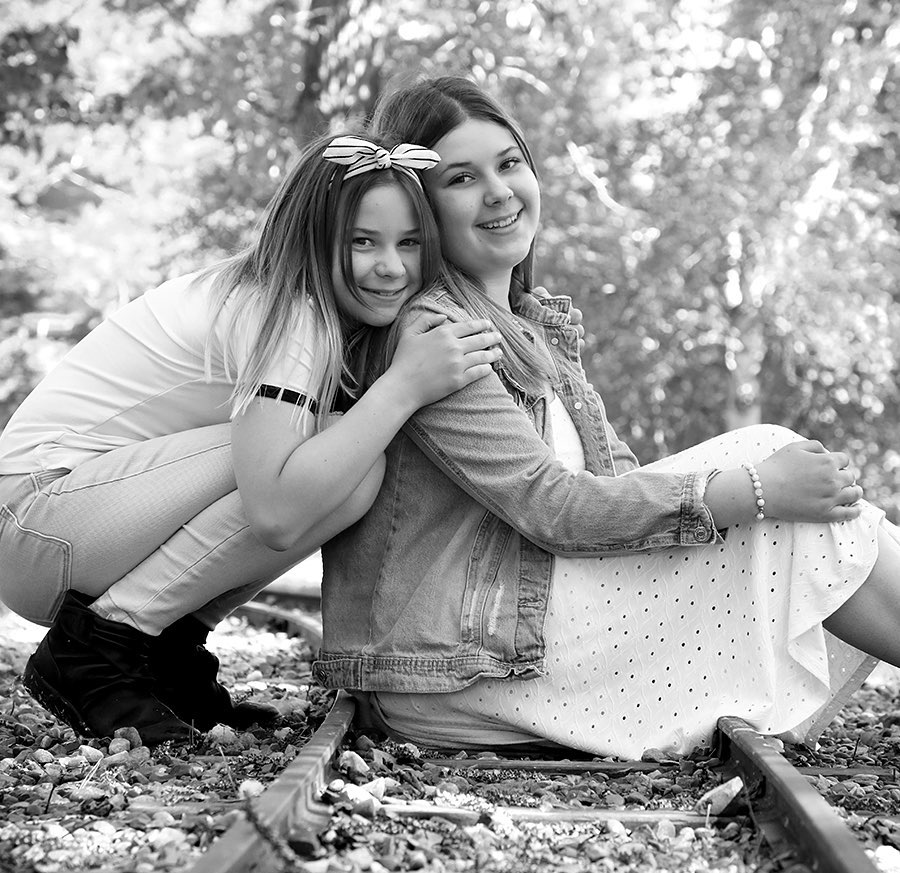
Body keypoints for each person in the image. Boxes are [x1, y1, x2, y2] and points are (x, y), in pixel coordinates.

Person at [315, 75, 900, 760]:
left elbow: (619, 483)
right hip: (459, 666)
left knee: (795, 495)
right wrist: (757, 488)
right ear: (422, 209)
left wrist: (759, 489)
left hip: (517, 640)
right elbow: (553, 506)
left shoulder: (529, 327)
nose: (499, 192)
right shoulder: (440, 335)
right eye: (462, 179)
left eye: (509, 163)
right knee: (768, 467)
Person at [0, 129, 503, 745]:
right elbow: (275, 512)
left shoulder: (299, 305)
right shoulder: (288, 311)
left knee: (344, 460)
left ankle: (164, 650)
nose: (391, 267)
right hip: (35, 523)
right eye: (361, 242)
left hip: (69, 527)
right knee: (337, 456)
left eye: (410, 243)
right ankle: (100, 648)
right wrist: (402, 388)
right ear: (313, 239)